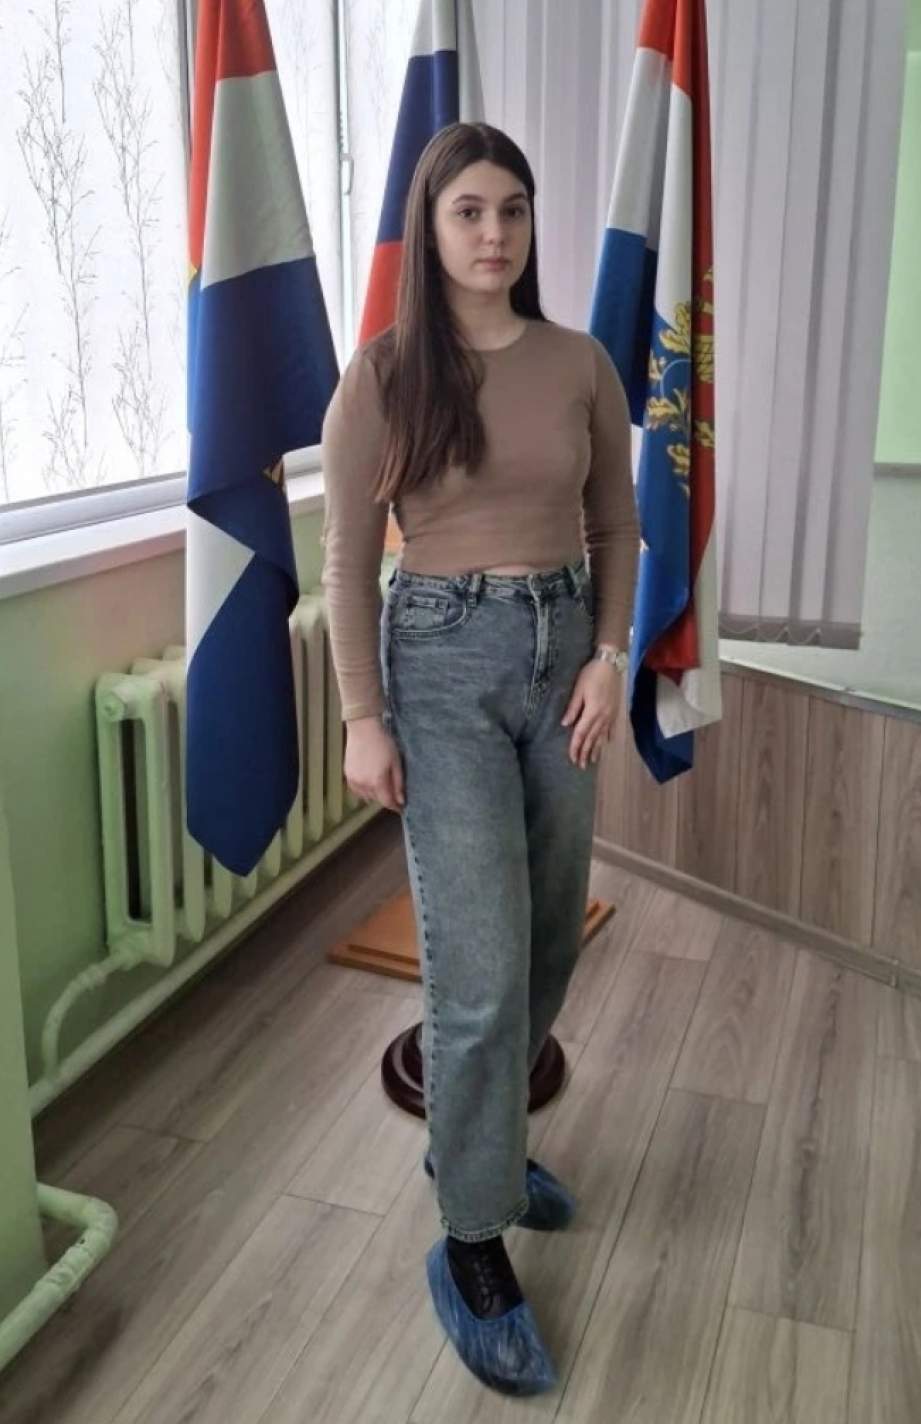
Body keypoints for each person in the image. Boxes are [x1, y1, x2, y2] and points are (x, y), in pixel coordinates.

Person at [320, 121, 639, 1396]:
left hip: (563, 656)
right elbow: (346, 558)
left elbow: (616, 522)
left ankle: (479, 1142)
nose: (494, 231)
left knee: (550, 933)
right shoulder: (386, 374)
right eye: (468, 210)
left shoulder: (578, 361)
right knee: (480, 963)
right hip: (439, 664)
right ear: (431, 225)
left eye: (512, 207)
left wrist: (609, 654)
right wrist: (361, 714)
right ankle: (470, 1236)